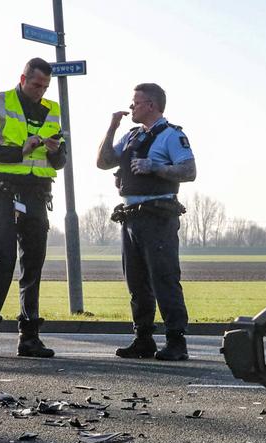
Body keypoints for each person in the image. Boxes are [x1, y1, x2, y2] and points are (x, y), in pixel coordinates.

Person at [0, 58, 66, 358]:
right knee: (4, 260)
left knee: (34, 265)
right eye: (37, 84)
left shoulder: (53, 111)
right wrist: (19, 150)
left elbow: (60, 162)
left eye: (45, 86)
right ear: (23, 78)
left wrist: (55, 152)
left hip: (37, 194)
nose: (41, 91)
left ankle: (29, 338)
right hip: (3, 191)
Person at [96, 83, 197, 361]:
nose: (131, 108)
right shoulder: (131, 136)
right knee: (137, 282)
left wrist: (156, 167)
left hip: (158, 216)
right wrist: (112, 127)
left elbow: (189, 171)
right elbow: (103, 161)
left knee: (164, 278)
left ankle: (177, 341)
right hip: (131, 217)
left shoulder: (171, 136)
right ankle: (143, 339)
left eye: (136, 103)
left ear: (151, 105)